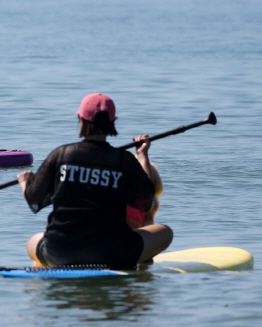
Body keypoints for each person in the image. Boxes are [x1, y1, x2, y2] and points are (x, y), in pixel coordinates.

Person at [16, 93, 171, 269]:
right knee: (165, 232)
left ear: (81, 120)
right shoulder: (124, 160)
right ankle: (140, 261)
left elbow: (33, 198)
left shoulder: (61, 155)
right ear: (112, 122)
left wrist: (24, 182)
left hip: (60, 253)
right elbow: (146, 202)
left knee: (33, 240)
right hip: (113, 255)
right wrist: (142, 156)